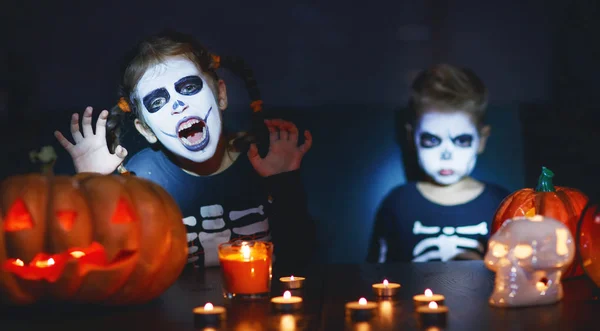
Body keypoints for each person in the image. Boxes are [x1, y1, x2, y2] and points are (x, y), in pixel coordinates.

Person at [54, 30, 316, 268]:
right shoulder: (139, 180)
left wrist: (284, 181)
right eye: (157, 101)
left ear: (220, 95)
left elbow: (300, 258)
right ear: (146, 130)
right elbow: (103, 264)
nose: (178, 104)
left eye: (188, 87)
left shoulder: (260, 160)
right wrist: (91, 185)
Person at [367, 64, 510, 263]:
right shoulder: (397, 204)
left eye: (461, 140)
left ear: (482, 139)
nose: (446, 155)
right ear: (412, 138)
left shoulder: (504, 205)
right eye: (432, 140)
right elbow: (377, 274)